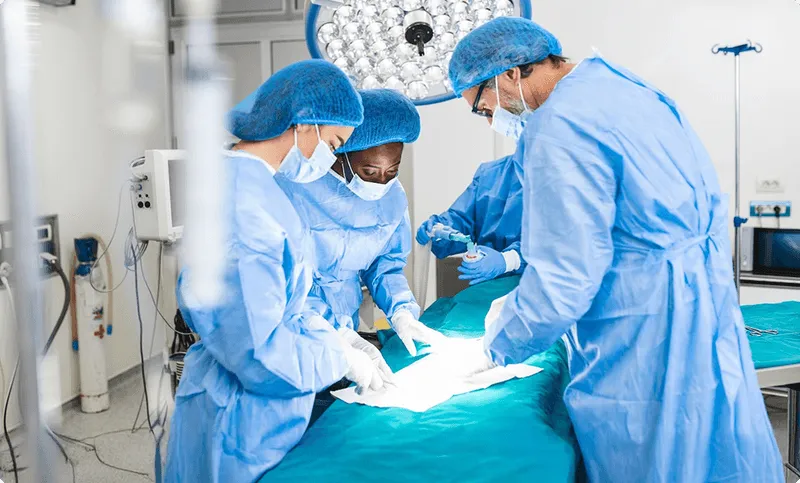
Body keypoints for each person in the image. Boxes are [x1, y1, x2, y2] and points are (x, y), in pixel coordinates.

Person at [448, 17, 782, 482]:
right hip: (702, 304)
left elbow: (564, 278)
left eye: (481, 107)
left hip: (642, 331)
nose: (490, 118)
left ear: (508, 73)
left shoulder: (559, 126)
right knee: (715, 445)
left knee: (658, 456)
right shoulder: (622, 86)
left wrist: (499, 344)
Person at [166, 60, 395, 483]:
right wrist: (336, 358)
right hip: (238, 418)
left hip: (255, 408)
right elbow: (257, 351)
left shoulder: (257, 187)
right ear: (304, 123)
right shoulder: (245, 206)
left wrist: (330, 332)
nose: (330, 157)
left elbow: (276, 298)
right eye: (334, 142)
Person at [276, 89, 444, 358]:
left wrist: (401, 311)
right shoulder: (293, 188)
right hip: (293, 330)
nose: (381, 182)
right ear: (340, 154)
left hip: (347, 324)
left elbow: (385, 264)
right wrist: (332, 332)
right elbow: (283, 281)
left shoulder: (391, 197)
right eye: (369, 171)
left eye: (392, 171)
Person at [415, 154, 524, 286]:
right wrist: (441, 229)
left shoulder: (547, 178)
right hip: (487, 286)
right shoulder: (491, 174)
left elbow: (547, 244)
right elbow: (463, 219)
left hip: (535, 290)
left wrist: (512, 260)